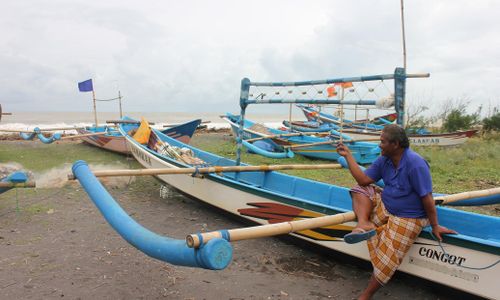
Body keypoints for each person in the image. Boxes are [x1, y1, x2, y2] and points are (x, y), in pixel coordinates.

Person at [336, 124, 456, 300]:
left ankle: (366, 295)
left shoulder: (416, 164)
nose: (379, 145)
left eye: (383, 142)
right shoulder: (384, 159)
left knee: (387, 260)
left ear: (396, 144)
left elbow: (427, 199)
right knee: (360, 190)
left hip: (409, 216)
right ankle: (364, 223)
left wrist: (435, 225)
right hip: (387, 205)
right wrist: (348, 156)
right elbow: (363, 180)